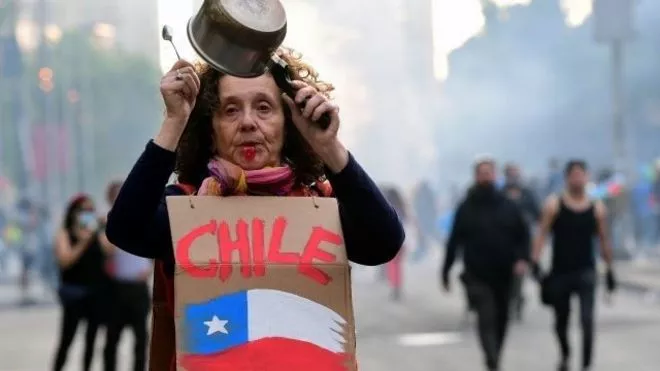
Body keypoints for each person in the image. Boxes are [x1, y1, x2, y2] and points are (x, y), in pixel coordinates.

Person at [105, 48, 405, 369]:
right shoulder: (185, 208)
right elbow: (125, 228)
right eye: (230, 110)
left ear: (288, 123)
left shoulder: (320, 204)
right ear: (211, 127)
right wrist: (175, 121)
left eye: (264, 108)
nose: (248, 122)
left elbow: (384, 242)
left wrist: (328, 147)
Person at [441, 157, 529, 371]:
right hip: (477, 274)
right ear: (476, 176)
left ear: (495, 175)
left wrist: (522, 259)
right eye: (482, 173)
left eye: (489, 172)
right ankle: (492, 360)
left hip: (504, 273)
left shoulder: (508, 205)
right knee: (486, 317)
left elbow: (523, 236)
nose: (486, 176)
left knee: (502, 318)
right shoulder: (466, 207)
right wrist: (446, 269)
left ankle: (496, 354)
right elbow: (454, 240)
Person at [531, 160, 617, 371]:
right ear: (567, 178)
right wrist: (535, 261)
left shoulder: (597, 208)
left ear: (587, 177)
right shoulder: (554, 205)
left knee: (587, 320)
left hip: (586, 270)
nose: (578, 179)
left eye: (582, 175)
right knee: (562, 320)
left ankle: (586, 364)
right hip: (560, 271)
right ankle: (565, 354)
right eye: (574, 175)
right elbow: (541, 234)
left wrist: (609, 268)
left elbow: (604, 239)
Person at [52, 194, 114, 371]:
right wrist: (83, 241)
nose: (86, 214)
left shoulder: (96, 233)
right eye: (82, 210)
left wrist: (103, 228)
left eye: (90, 210)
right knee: (67, 338)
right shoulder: (65, 233)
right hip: (74, 294)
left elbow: (110, 250)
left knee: (91, 339)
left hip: (95, 294)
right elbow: (65, 259)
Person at [103, 181, 152, 371]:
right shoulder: (106, 223)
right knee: (112, 338)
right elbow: (105, 248)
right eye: (114, 195)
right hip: (117, 288)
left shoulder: (141, 218)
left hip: (138, 288)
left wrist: (148, 269)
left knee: (141, 338)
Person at [501, 163, 540, 321]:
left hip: (522, 240)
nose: (513, 177)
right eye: (511, 174)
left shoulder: (527, 194)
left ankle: (517, 300)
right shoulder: (500, 194)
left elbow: (538, 214)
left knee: (519, 274)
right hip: (503, 241)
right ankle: (509, 300)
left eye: (515, 173)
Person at [382, 186, 408, 301]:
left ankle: (395, 287)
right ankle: (396, 286)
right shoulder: (402, 209)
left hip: (392, 241)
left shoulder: (389, 209)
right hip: (402, 242)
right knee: (397, 266)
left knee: (393, 266)